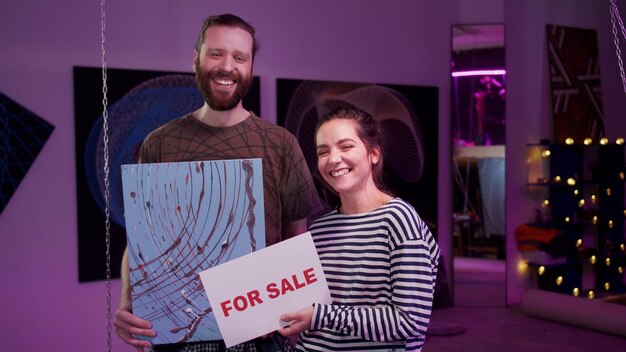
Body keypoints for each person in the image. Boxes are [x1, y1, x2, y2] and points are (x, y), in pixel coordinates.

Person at [114, 13, 321, 352]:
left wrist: (284, 308)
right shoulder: (160, 143)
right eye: (216, 54)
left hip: (259, 337)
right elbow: (140, 241)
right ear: (195, 58)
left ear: (251, 66)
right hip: (179, 334)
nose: (227, 66)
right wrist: (127, 301)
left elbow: (297, 241)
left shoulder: (281, 144)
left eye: (239, 57)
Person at [277, 107, 440, 351]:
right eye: (323, 151)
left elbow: (410, 322)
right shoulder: (320, 227)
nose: (333, 159)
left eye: (345, 146)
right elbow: (308, 308)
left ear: (374, 154)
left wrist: (320, 316)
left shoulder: (399, 220)